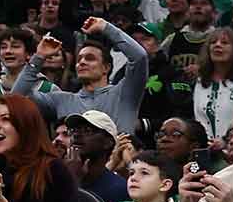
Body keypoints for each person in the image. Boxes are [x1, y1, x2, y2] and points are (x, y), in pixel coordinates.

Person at [19, 17, 148, 136]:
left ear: (106, 67)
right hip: (74, 161)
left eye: (90, 58)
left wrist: (106, 28)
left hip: (120, 159)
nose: (82, 62)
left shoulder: (125, 93)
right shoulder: (60, 100)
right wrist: (39, 57)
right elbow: (17, 98)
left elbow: (139, 57)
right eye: (79, 59)